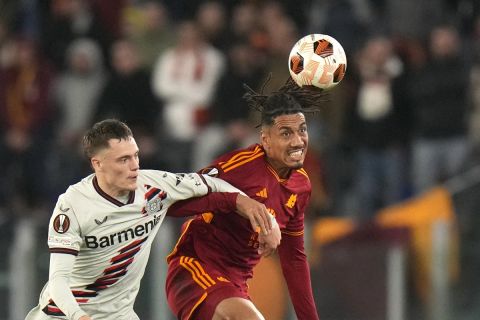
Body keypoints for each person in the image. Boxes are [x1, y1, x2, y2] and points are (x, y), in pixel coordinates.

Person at [25, 119, 280, 320]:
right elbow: (58, 280)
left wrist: (253, 208)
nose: (134, 165)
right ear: (98, 164)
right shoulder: (72, 206)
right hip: (63, 316)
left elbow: (210, 184)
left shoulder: (153, 186)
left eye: (135, 155)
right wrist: (80, 316)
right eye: (123, 160)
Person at [165, 78, 322, 319]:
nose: (298, 141)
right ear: (265, 139)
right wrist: (238, 202)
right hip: (196, 267)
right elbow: (174, 201)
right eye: (286, 133)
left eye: (302, 130)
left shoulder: (301, 186)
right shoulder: (239, 167)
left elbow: (294, 260)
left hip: (237, 283)